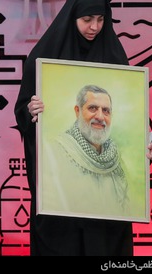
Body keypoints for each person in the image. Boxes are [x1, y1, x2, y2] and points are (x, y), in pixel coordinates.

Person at [14, 0, 138, 256]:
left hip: (106, 198)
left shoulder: (114, 58)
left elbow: (133, 114)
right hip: (59, 191)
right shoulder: (43, 59)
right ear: (72, 18)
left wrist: (143, 146)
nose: (94, 27)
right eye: (87, 19)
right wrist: (31, 111)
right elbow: (22, 109)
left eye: (101, 19)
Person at [41, 84, 129, 218]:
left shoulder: (116, 159)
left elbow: (126, 208)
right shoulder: (54, 152)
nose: (100, 116)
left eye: (106, 110)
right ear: (78, 111)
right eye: (93, 108)